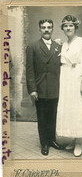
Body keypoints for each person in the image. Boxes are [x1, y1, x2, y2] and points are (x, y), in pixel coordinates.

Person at [56, 15, 82, 157]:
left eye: (70, 25)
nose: (68, 28)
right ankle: (73, 138)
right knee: (70, 109)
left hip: (79, 78)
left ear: (75, 27)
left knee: (79, 109)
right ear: (63, 28)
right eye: (65, 26)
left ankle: (79, 142)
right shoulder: (65, 44)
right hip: (67, 80)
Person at [26, 19, 64, 156]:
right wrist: (32, 89)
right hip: (40, 88)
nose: (46, 30)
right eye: (43, 27)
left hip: (55, 87)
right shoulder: (33, 46)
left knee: (53, 116)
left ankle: (52, 140)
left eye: (49, 27)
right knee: (42, 117)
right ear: (40, 30)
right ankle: (44, 143)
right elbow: (29, 70)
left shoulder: (58, 46)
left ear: (53, 29)